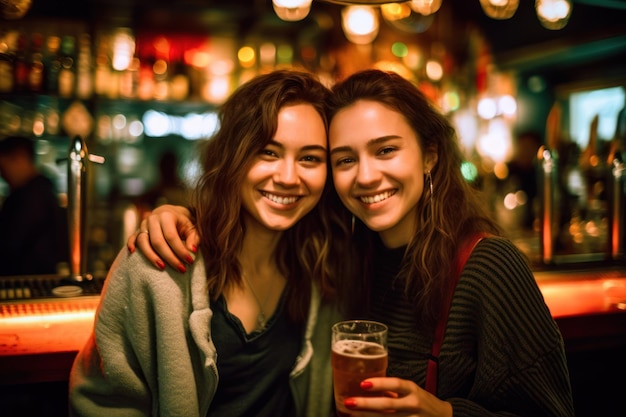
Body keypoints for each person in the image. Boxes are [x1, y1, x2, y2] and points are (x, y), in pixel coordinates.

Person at [130, 69, 575, 417]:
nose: (365, 176)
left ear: (431, 156)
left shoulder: (487, 266)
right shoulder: (340, 255)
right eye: (344, 159)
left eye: (385, 151)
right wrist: (178, 214)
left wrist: (444, 413)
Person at [69, 70, 351, 417]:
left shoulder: (322, 266)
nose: (288, 177)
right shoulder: (159, 261)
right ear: (232, 156)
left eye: (310, 158)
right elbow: (102, 405)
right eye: (267, 152)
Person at [0, 135, 67, 276]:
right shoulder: (40, 189)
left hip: (29, 279)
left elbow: (12, 243)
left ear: (20, 158)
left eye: (3, 168)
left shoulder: (33, 195)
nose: (3, 175)